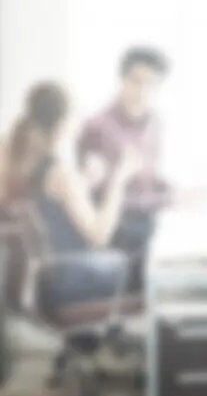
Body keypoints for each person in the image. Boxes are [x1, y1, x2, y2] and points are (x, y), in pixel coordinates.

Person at [2, 82, 140, 312]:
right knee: (144, 271)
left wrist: (85, 182)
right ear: (63, 123)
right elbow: (99, 235)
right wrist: (119, 180)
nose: (81, 118)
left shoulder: (37, 166)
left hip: (53, 280)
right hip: (73, 279)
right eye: (76, 112)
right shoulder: (64, 173)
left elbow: (58, 206)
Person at [76, 47, 176, 285]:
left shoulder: (156, 122)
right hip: (115, 230)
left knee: (153, 292)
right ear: (122, 79)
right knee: (126, 301)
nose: (143, 90)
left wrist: (172, 191)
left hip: (146, 225)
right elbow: (95, 193)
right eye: (136, 81)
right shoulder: (97, 126)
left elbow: (148, 176)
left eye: (151, 84)